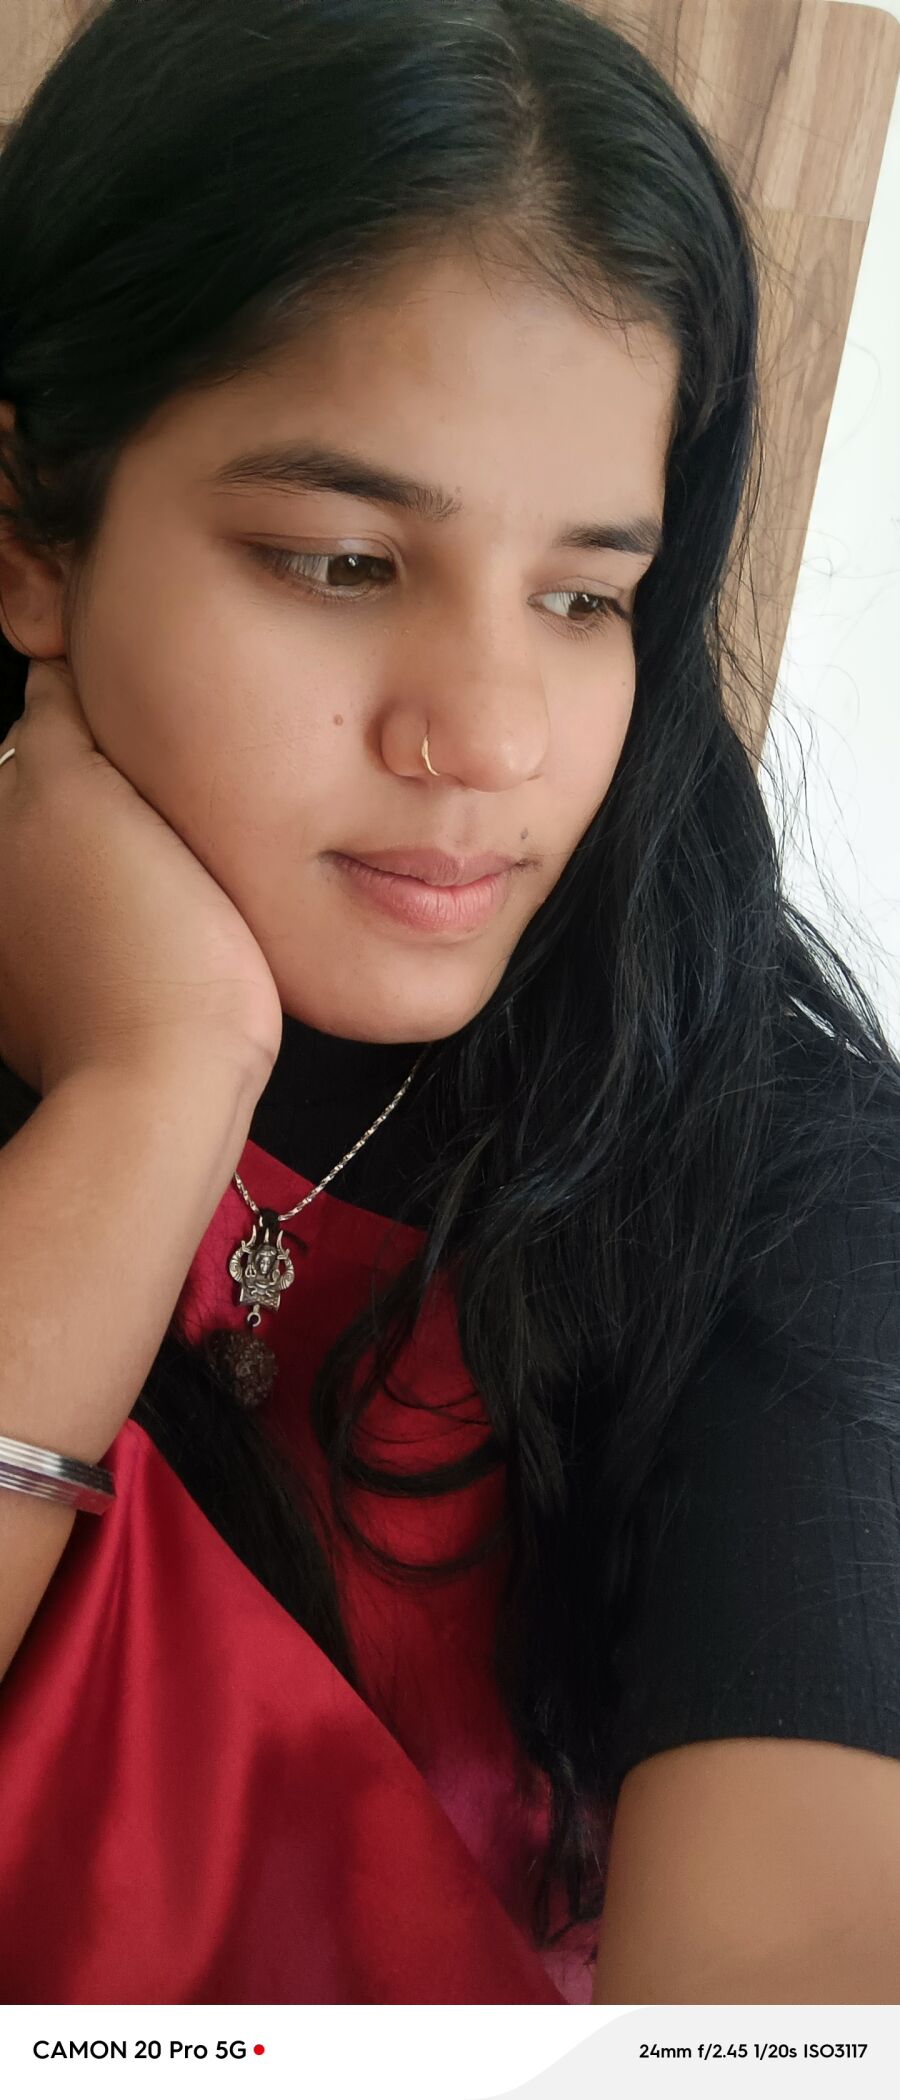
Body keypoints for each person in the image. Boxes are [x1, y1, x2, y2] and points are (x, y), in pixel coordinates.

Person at [0, 0, 898, 2011]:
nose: (491, 739)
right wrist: (152, 1089)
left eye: (584, 598)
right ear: (32, 536)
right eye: (340, 561)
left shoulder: (777, 1179)